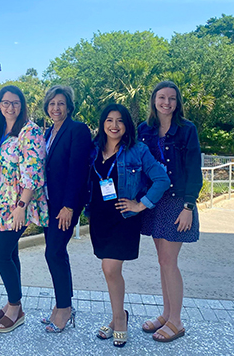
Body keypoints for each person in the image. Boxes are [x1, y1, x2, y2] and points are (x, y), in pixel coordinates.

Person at [89, 103, 170, 347]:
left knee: (110, 269)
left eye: (120, 121)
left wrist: (141, 204)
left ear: (127, 125)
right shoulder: (93, 149)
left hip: (124, 218)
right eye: (109, 120)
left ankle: (119, 320)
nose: (114, 125)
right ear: (103, 123)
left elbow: (161, 179)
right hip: (99, 218)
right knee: (109, 269)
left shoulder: (137, 150)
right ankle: (118, 316)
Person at [0, 85, 48, 333]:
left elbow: (33, 171)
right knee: (11, 254)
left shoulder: (30, 132)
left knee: (0, 255)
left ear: (22, 105)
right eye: (5, 102)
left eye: (15, 102)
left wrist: (21, 206)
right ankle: (12, 304)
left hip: (17, 204)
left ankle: (15, 307)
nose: (10, 107)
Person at [138, 81, 202, 343]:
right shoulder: (145, 130)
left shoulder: (187, 130)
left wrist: (189, 206)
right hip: (155, 201)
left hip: (177, 202)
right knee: (162, 261)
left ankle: (176, 321)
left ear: (178, 102)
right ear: (154, 100)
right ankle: (166, 314)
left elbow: (194, 170)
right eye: (162, 97)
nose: (167, 102)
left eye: (172, 98)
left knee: (169, 262)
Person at [40, 85, 91, 333]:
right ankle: (62, 305)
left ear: (69, 107)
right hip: (49, 204)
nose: (56, 108)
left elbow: (78, 170)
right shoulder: (49, 131)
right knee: (57, 253)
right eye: (51, 103)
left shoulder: (77, 130)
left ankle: (65, 309)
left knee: (54, 253)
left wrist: (70, 206)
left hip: (64, 206)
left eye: (60, 103)